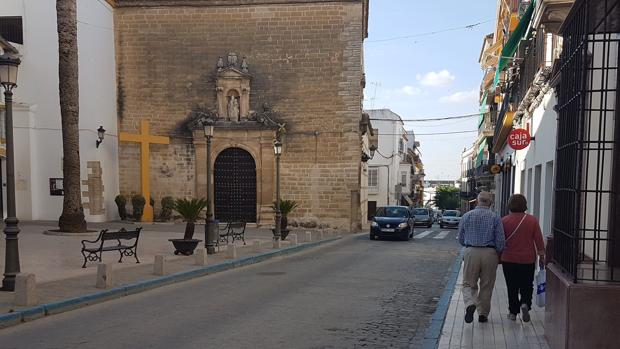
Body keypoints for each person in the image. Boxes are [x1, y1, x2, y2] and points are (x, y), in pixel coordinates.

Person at [458, 191, 505, 323]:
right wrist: (497, 251)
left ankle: (470, 304)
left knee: (468, 283)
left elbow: (461, 238)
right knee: (487, 285)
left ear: (477, 201)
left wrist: (468, 245)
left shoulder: (467, 216)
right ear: (490, 202)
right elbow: (500, 241)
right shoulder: (495, 217)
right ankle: (483, 314)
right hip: (489, 253)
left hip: (471, 251)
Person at [500, 194, 545, 322]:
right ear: (524, 205)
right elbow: (539, 240)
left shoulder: (504, 221)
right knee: (527, 284)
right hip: (527, 259)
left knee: (511, 286)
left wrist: (498, 256)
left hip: (508, 259)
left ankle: (513, 312)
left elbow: (500, 241)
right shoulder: (532, 220)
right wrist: (541, 255)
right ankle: (525, 303)